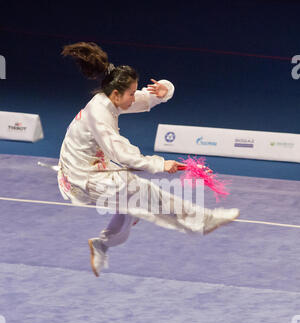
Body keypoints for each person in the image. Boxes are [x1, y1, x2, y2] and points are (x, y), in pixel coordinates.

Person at [58, 42, 239, 277]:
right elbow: (121, 153)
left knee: (130, 208)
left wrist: (164, 90)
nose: (134, 97)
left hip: (97, 168)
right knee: (142, 191)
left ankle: (102, 244)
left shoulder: (111, 100)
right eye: (131, 93)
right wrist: (160, 164)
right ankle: (204, 220)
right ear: (116, 94)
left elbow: (145, 98)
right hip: (80, 176)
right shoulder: (99, 113)